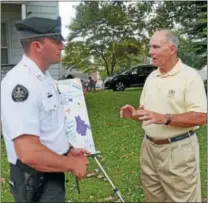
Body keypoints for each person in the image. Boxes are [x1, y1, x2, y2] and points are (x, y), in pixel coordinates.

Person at [1, 16, 90, 202]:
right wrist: (72, 164)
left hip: (51, 169)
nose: (62, 46)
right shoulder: (21, 83)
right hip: (34, 178)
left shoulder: (46, 79)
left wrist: (66, 150)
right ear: (37, 46)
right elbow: (29, 152)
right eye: (56, 40)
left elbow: (48, 129)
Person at [120, 29, 207, 202]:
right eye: (150, 47)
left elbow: (201, 117)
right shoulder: (152, 77)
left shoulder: (190, 77)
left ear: (172, 49)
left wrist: (166, 118)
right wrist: (135, 114)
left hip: (178, 150)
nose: (150, 52)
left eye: (155, 47)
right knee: (153, 198)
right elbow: (147, 112)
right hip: (149, 149)